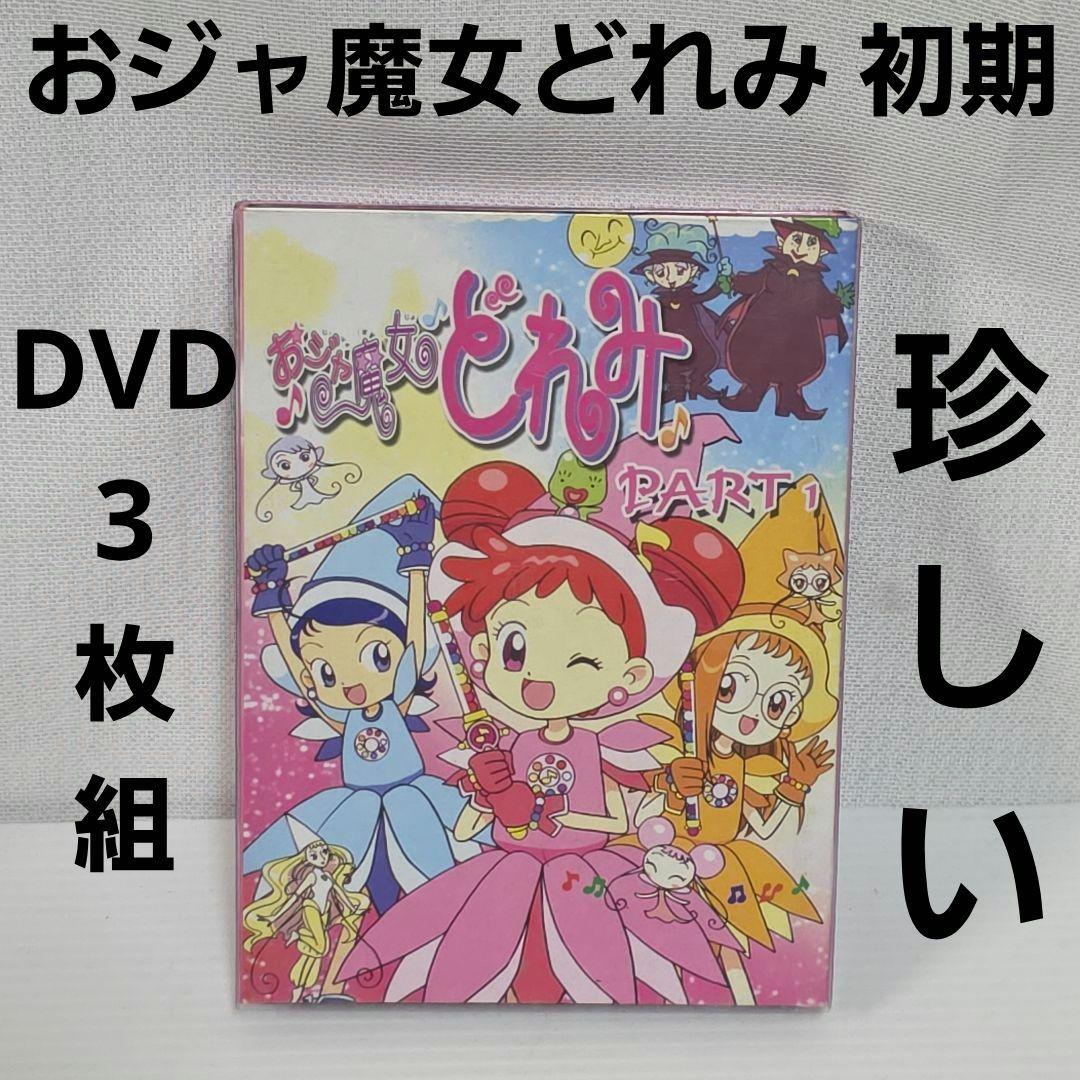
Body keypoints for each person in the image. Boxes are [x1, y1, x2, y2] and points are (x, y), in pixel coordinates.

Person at [338, 461, 745, 1003]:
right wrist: (489, 794)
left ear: (629, 676)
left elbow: (617, 819)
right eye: (516, 648)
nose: (538, 682)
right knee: (483, 964)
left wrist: (660, 787)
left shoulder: (600, 745)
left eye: (581, 660)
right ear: (483, 648)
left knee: (600, 969)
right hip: (505, 870)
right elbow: (468, 826)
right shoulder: (504, 744)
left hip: (586, 870)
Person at [241, 476, 476, 917]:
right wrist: (272, 602)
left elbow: (414, 641)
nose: (350, 683)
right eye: (327, 671)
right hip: (354, 807)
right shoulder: (339, 715)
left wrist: (416, 565)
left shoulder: (395, 701)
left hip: (415, 800)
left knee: (441, 870)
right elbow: (298, 667)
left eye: (376, 656)